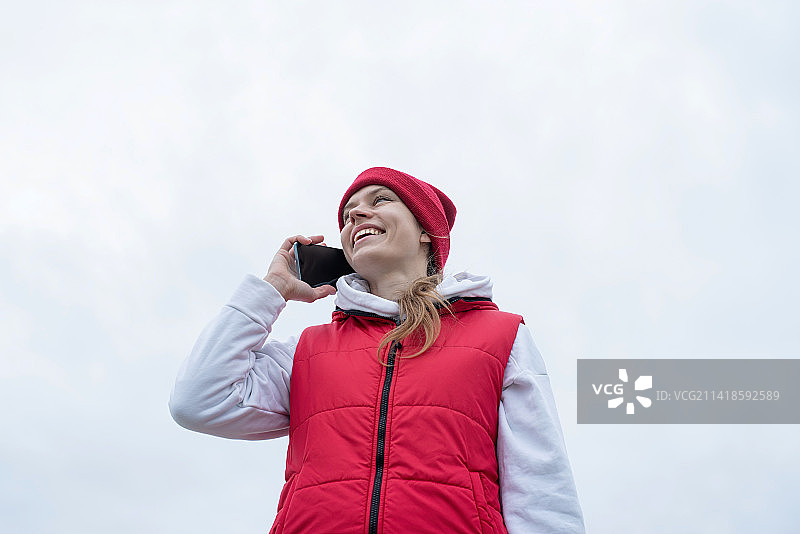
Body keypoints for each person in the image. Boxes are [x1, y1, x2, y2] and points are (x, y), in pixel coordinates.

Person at [169, 167, 586, 533]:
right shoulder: (307, 351)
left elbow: (542, 489)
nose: (355, 214)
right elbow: (199, 401)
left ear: (426, 231)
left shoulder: (500, 336)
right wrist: (270, 291)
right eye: (349, 212)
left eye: (380, 200)